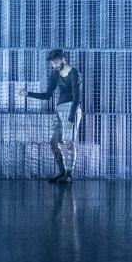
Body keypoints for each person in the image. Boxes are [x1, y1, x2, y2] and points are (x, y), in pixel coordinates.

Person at [18, 49, 82, 183]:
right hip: (60, 110)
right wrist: (28, 93)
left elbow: (77, 98)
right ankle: (62, 172)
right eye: (52, 63)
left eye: (56, 61)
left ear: (63, 59)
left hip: (72, 110)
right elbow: (47, 95)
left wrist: (71, 118)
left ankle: (69, 175)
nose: (54, 65)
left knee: (70, 143)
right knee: (53, 142)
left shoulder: (74, 73)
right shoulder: (54, 75)